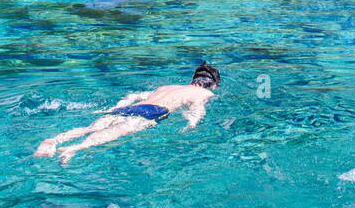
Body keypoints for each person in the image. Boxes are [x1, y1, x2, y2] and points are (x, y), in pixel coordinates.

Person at [34, 64, 220, 165]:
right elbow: (197, 108)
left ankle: (54, 140)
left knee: (91, 128)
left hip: (130, 108)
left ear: (193, 79)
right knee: (112, 135)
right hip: (151, 112)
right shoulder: (205, 93)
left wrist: (116, 106)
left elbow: (134, 95)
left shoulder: (167, 87)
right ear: (212, 85)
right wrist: (192, 124)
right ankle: (74, 149)